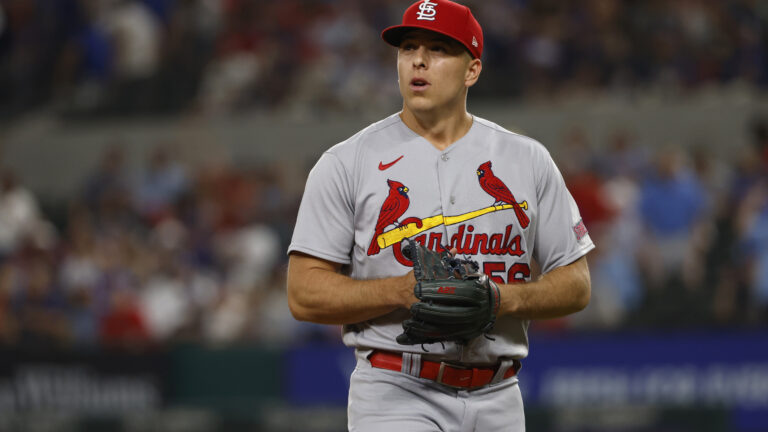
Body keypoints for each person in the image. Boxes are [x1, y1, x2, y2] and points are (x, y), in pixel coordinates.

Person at [287, 1, 594, 430]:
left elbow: (576, 284)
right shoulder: (347, 162)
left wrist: (501, 299)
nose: (418, 59)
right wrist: (398, 291)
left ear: (472, 70)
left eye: (438, 49)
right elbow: (303, 293)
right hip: (396, 390)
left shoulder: (527, 159)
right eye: (408, 46)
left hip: (499, 395)